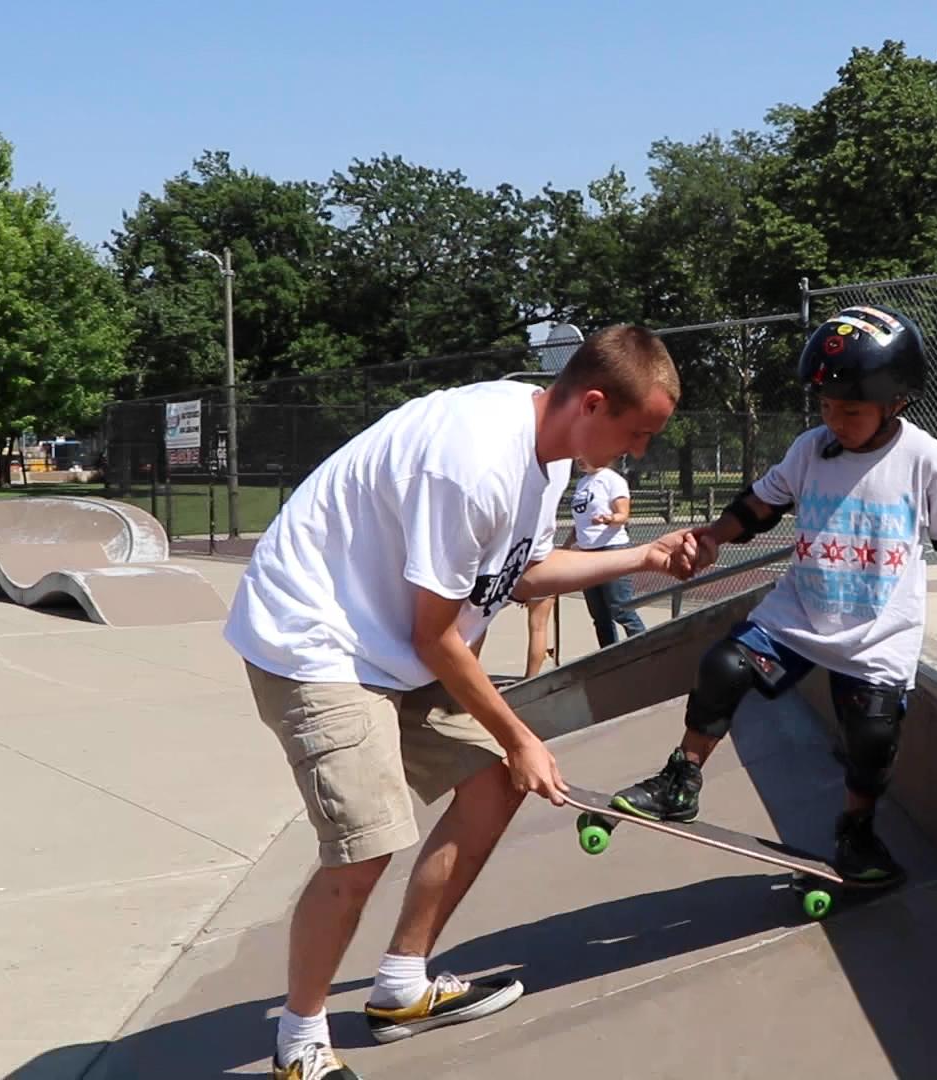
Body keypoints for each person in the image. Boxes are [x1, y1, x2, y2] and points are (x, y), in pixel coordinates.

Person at [222, 324, 699, 1080]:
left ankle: (401, 986)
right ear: (594, 402)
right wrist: (517, 734)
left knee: (493, 784)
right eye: (638, 434)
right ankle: (300, 1041)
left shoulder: (545, 460)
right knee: (368, 840)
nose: (638, 452)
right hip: (318, 639)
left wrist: (638, 555)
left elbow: (519, 574)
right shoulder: (472, 461)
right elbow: (437, 633)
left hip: (396, 639)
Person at [608, 304, 937, 888]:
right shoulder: (811, 449)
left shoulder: (922, 458)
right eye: (827, 407)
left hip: (880, 630)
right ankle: (681, 779)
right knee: (723, 666)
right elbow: (760, 506)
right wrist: (711, 538)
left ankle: (857, 833)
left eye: (850, 411)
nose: (834, 420)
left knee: (873, 734)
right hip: (800, 611)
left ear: (897, 402)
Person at [570, 459, 647, 646]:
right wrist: (566, 546)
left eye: (586, 455)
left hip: (611, 550)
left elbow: (623, 515)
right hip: (587, 555)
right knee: (600, 616)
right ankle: (609, 657)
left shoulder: (613, 480)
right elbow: (581, 523)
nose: (580, 459)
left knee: (622, 610)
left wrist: (609, 518)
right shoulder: (582, 483)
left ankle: (648, 650)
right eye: (577, 456)